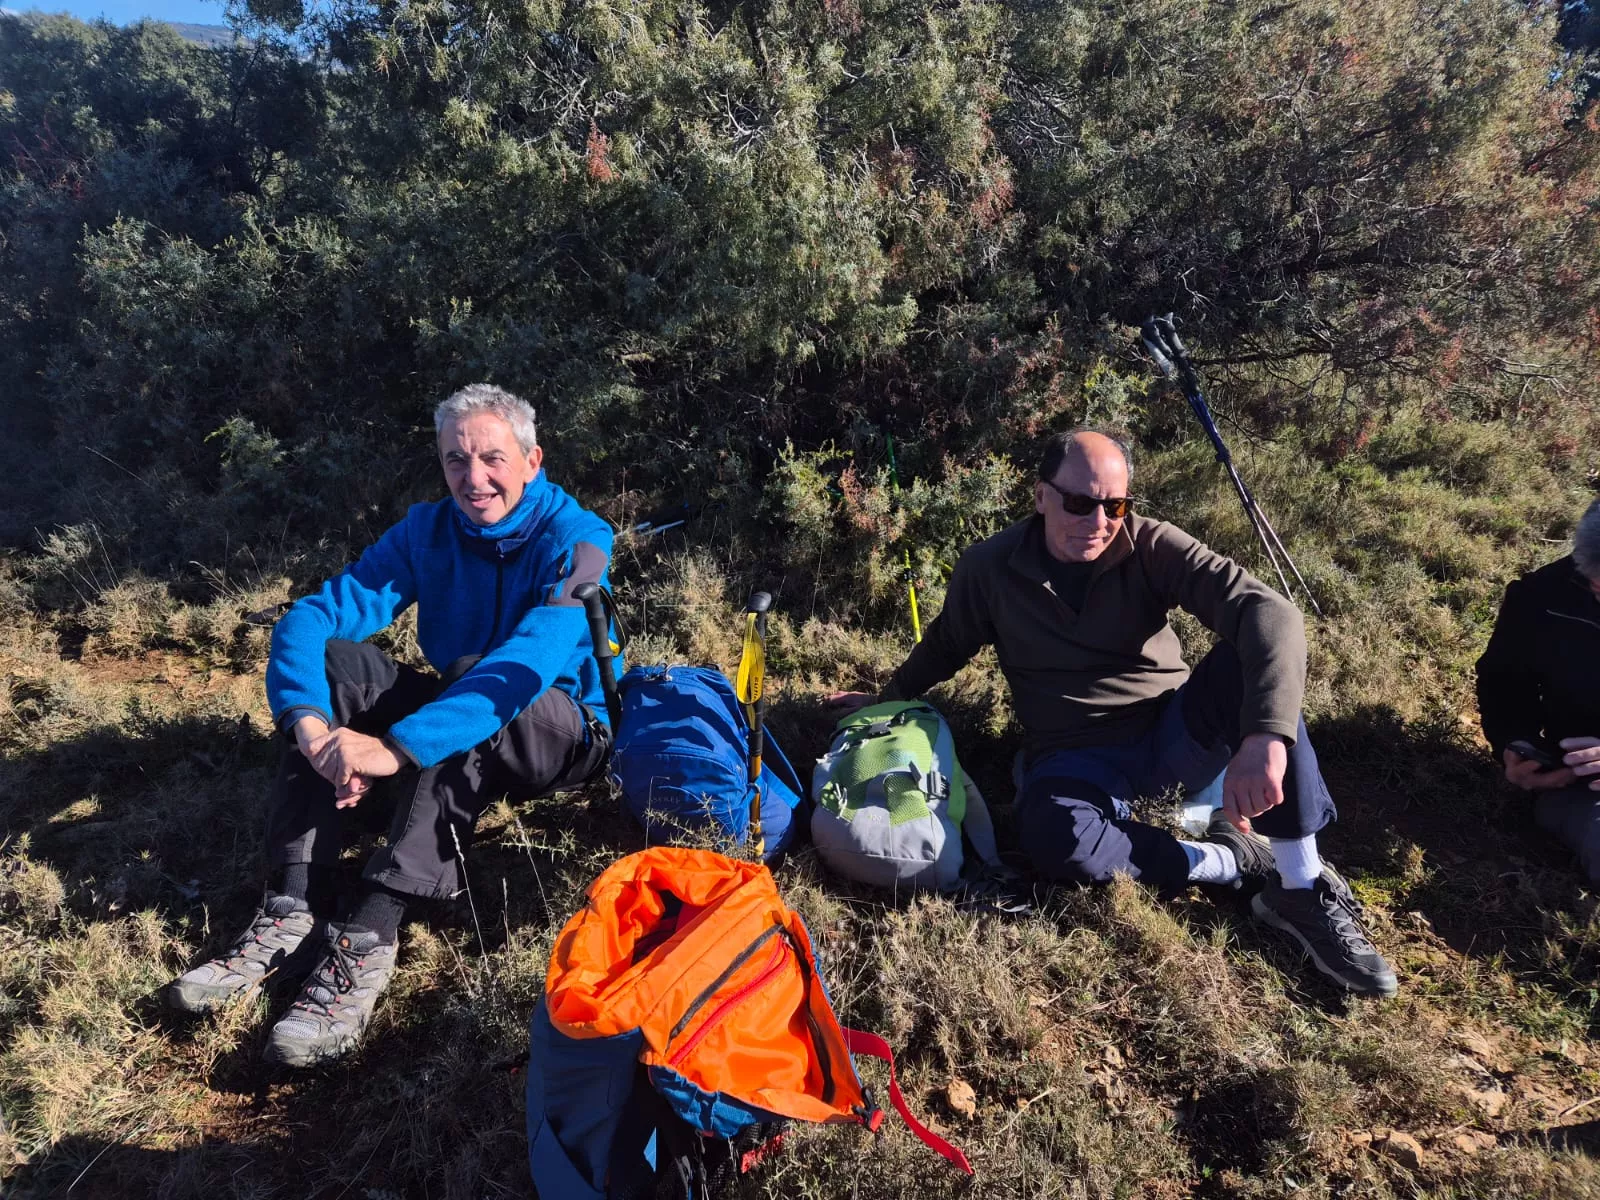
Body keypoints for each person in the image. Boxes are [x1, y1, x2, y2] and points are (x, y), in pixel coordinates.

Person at [832, 430, 1397, 997]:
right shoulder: (990, 568)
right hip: (1074, 752)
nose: (1098, 520)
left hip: (1173, 732)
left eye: (1115, 505)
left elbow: (1269, 613)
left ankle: (1299, 886)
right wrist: (888, 698)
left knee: (1251, 671)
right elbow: (947, 644)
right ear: (1040, 497)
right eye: (1080, 502)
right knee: (1050, 835)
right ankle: (1228, 862)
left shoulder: (1150, 546)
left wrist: (1267, 737)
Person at [169, 383, 618, 1065]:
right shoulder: (428, 530)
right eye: (456, 462)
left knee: (472, 681)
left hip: (559, 727)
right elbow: (312, 620)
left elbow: (526, 665)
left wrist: (394, 748)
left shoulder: (577, 539)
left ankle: (371, 933)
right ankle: (293, 905)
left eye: (493, 459)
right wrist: (313, 729)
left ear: (532, 460)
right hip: (466, 700)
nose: (474, 480)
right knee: (338, 663)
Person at [1476, 497, 1600, 878]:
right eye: (1597, 588)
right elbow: (1505, 684)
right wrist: (1514, 745)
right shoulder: (1542, 597)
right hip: (1580, 786)